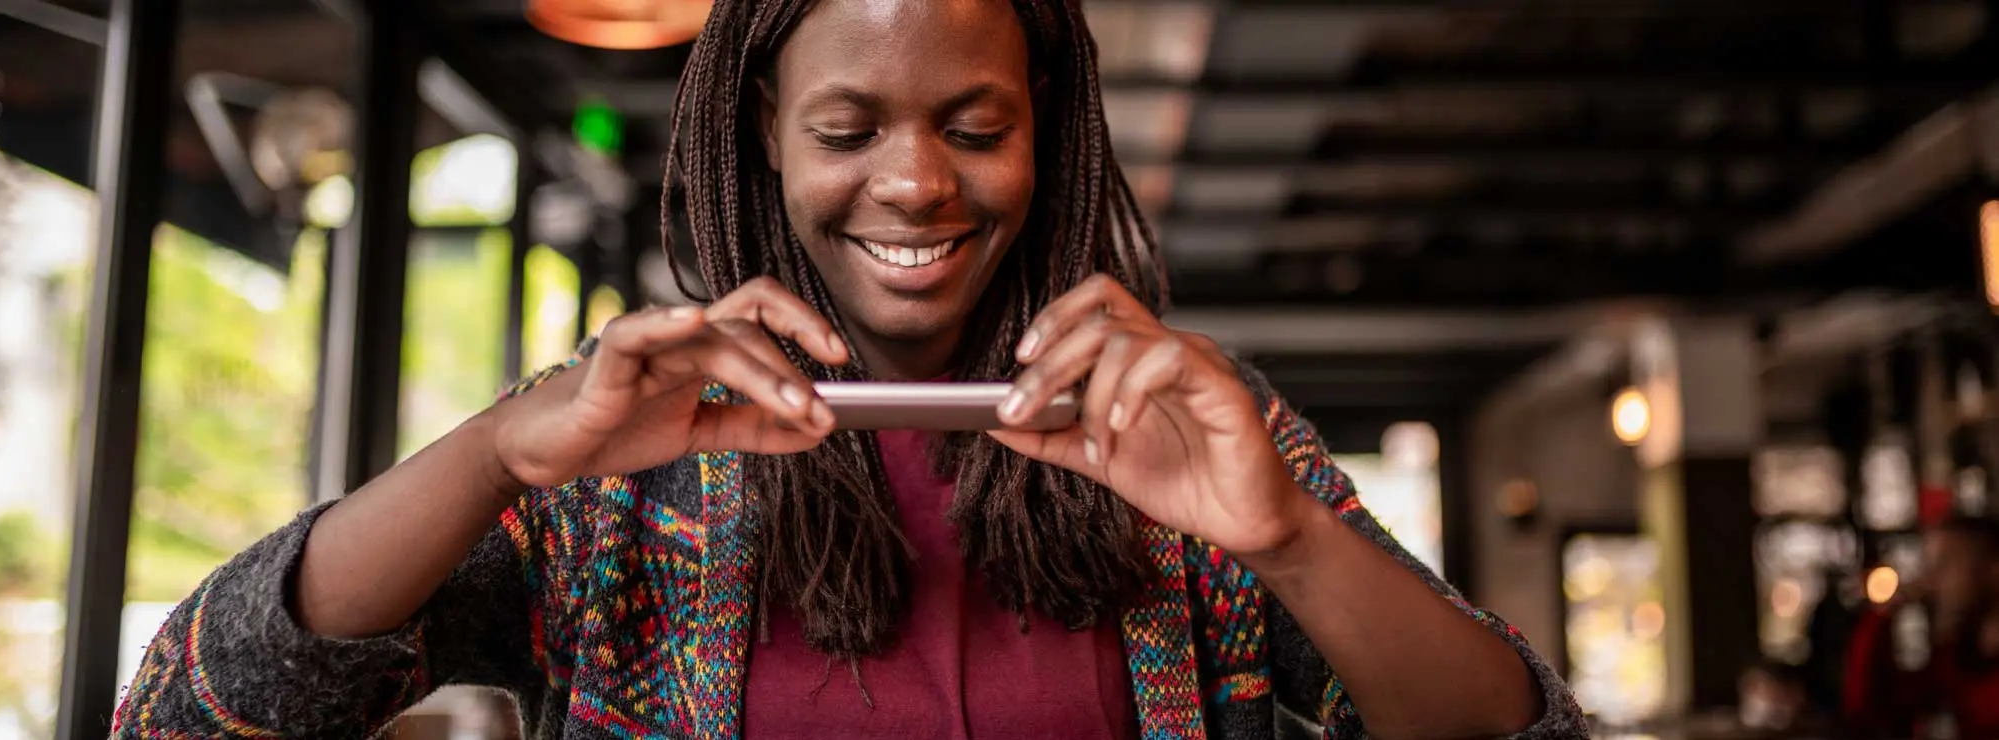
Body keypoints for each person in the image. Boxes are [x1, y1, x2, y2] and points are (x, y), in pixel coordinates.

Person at [109, 0, 1584, 737]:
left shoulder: (1177, 425)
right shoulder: (629, 452)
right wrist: (500, 449)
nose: (917, 185)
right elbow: (188, 715)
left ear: (1047, 124)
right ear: (762, 128)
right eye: (847, 131)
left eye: (976, 127)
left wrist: (1290, 540)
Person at [1843, 516, 1999, 737]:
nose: (1930, 579)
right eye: (1929, 565)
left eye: (1946, 563)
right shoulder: (1953, 661)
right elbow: (1869, 710)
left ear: (1994, 569)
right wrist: (1883, 614)